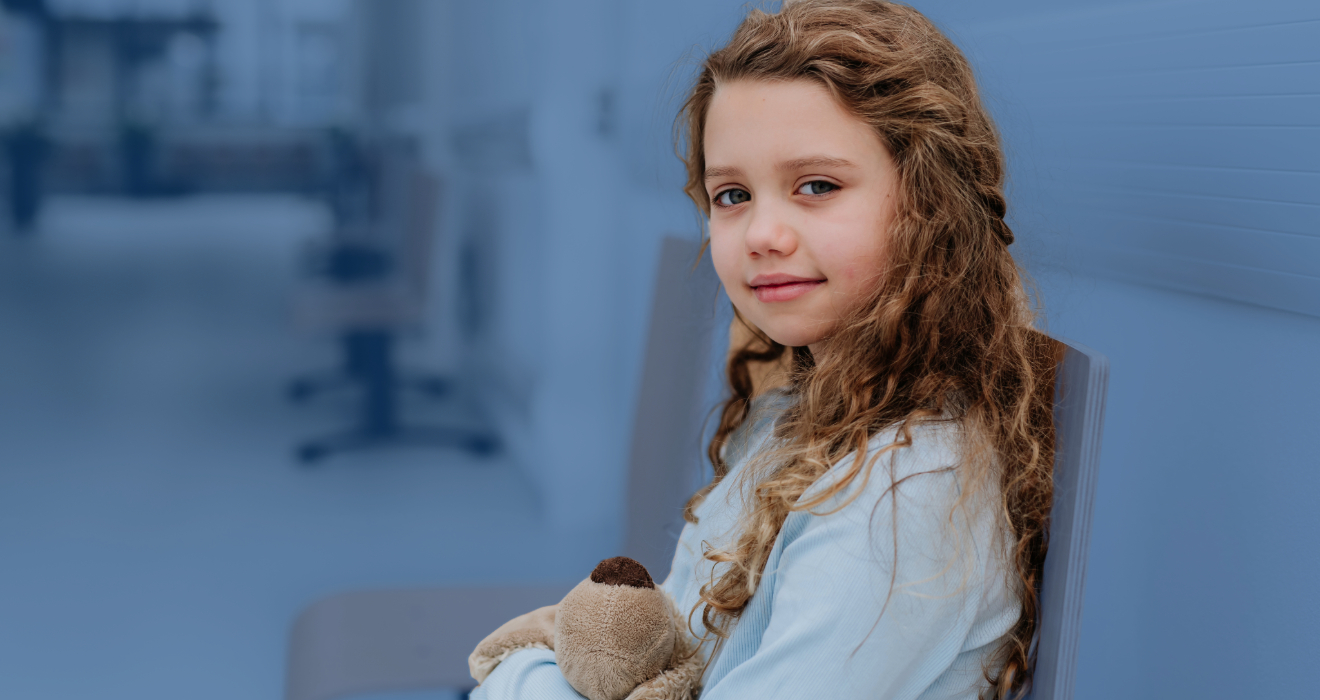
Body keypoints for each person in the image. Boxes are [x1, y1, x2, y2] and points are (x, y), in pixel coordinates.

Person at [471, 1, 1056, 698]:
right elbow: (676, 635)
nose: (761, 233)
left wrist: (520, 678)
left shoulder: (902, 499)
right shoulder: (800, 409)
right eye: (733, 194)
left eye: (817, 186)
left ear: (930, 205)